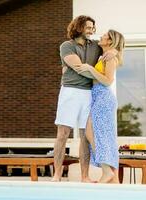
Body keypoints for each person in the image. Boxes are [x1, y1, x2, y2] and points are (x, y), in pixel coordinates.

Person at [52, 15, 115, 182]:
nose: (92, 30)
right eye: (88, 27)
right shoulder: (67, 46)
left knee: (84, 136)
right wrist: (81, 68)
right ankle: (57, 174)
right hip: (70, 92)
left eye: (93, 28)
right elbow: (78, 68)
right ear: (79, 27)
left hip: (88, 93)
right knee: (63, 134)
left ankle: (85, 176)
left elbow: (114, 47)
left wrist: (114, 51)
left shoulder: (95, 46)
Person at [74, 30, 125, 183]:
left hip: (103, 96)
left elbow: (108, 81)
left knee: (91, 132)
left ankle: (107, 171)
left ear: (110, 41)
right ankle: (110, 173)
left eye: (104, 36)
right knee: (96, 134)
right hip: (98, 96)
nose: (101, 36)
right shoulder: (105, 55)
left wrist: (90, 69)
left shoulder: (110, 57)